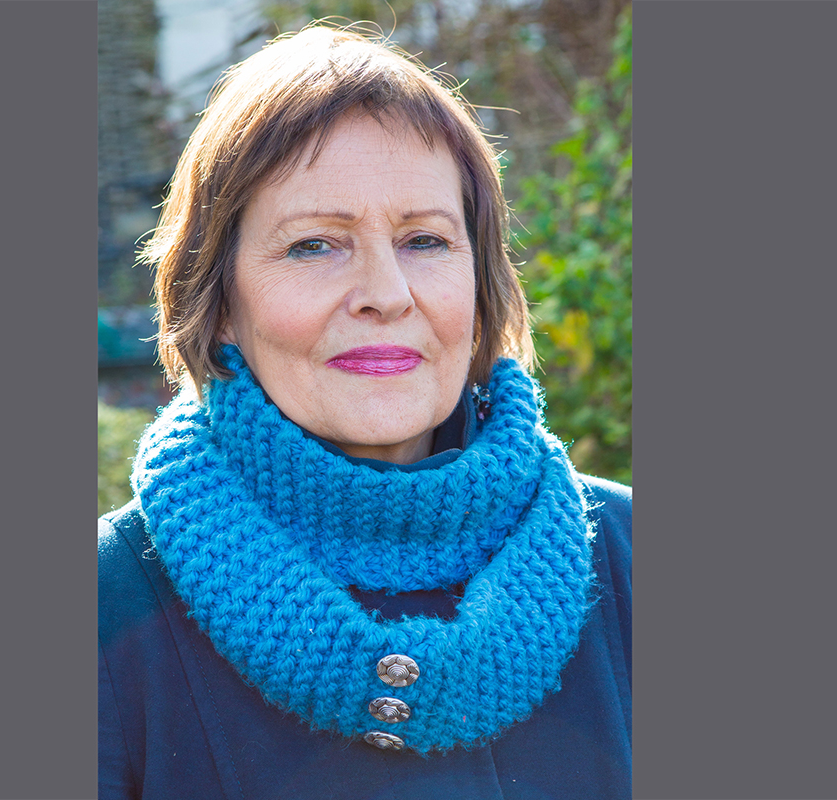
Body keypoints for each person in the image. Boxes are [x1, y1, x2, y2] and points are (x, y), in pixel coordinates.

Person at [98, 24, 631, 800]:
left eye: (425, 240)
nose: (386, 293)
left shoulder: (631, 560)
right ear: (217, 302)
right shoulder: (107, 607)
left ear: (480, 287)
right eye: (315, 245)